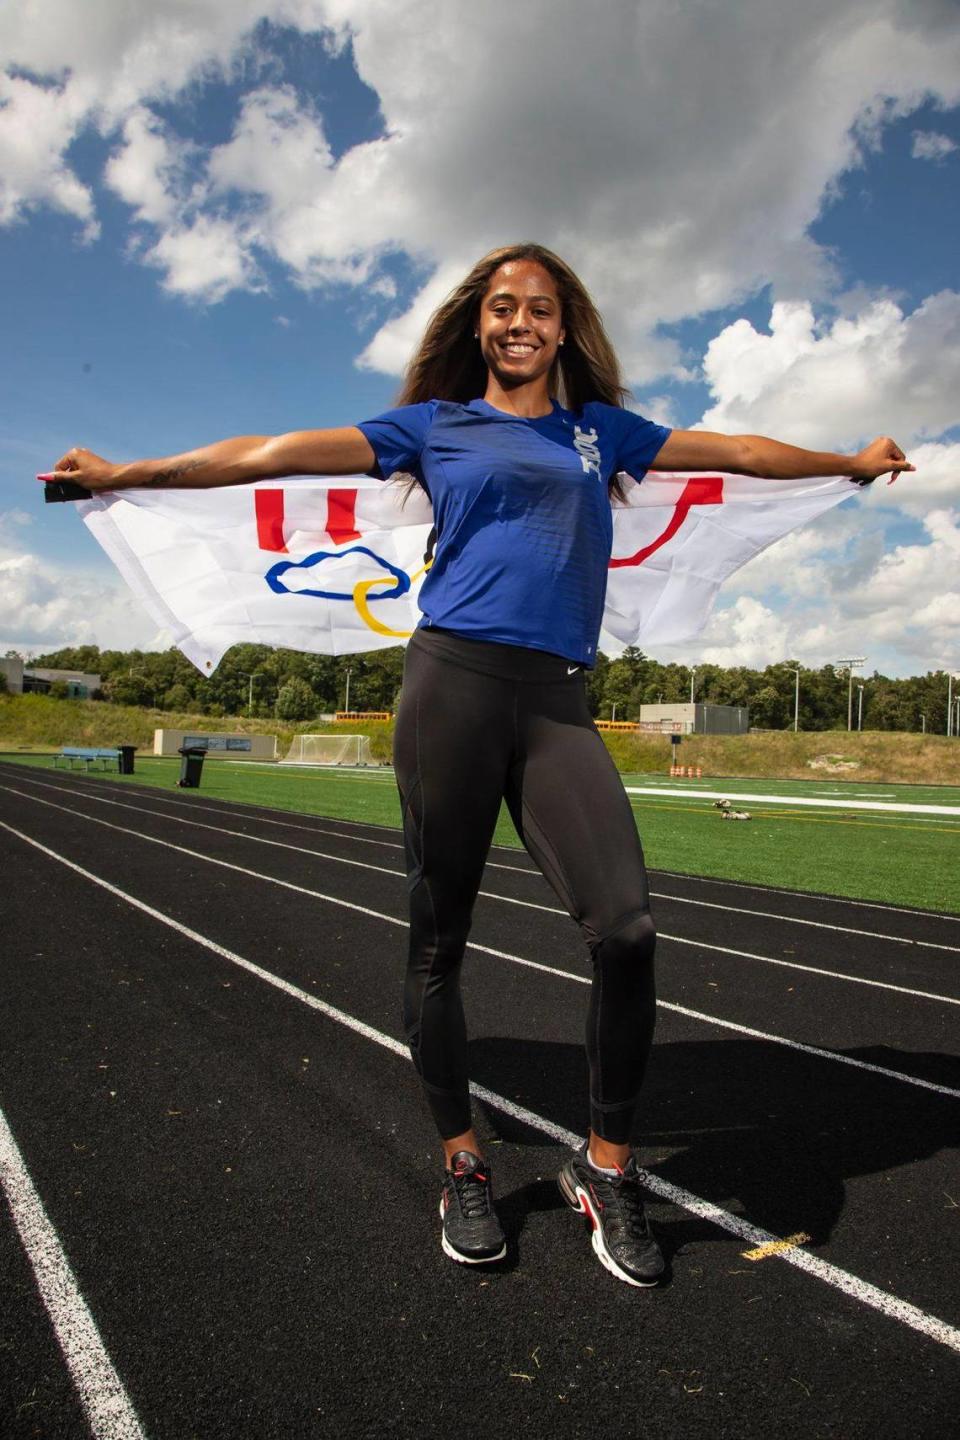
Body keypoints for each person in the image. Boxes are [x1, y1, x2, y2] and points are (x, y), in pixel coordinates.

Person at [49, 243, 913, 1287]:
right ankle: (462, 1161)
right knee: (436, 941)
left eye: (539, 309)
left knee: (628, 930)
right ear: (478, 325)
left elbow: (731, 449)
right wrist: (126, 473)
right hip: (450, 687)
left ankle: (605, 1168)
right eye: (502, 307)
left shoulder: (603, 434)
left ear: (564, 327)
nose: (519, 323)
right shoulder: (433, 425)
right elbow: (272, 454)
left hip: (555, 700)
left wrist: (847, 461)